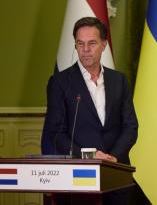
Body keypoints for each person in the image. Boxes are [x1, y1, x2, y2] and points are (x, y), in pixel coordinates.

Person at [42, 17, 139, 204]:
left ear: (104, 45)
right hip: (79, 177)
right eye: (80, 44)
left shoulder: (119, 81)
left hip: (117, 173)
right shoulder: (60, 83)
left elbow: (130, 126)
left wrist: (112, 158)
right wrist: (90, 156)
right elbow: (55, 133)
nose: (85, 50)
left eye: (92, 43)